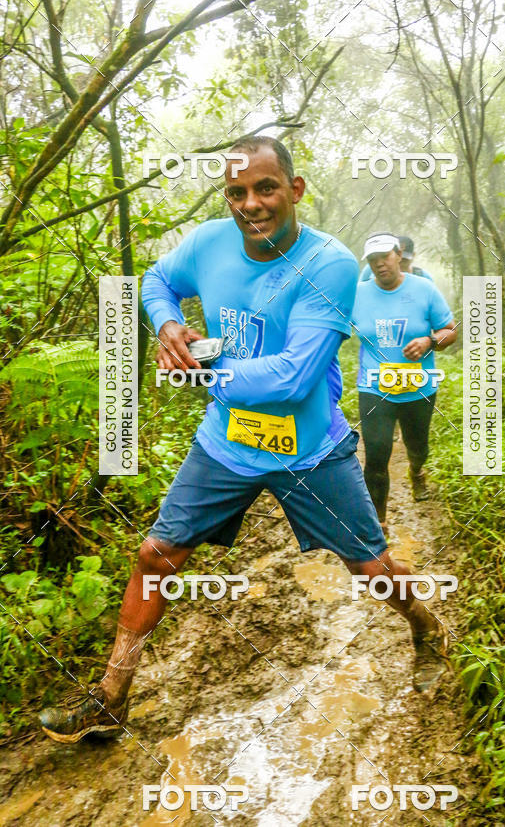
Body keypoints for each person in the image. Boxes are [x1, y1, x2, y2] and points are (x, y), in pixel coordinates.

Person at [39, 139, 450, 745]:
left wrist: (201, 373)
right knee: (155, 557)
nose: (251, 204)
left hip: (309, 450)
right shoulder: (207, 242)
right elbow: (156, 279)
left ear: (296, 189)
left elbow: (293, 377)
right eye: (237, 192)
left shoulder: (331, 265)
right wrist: (169, 322)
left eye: (266, 189)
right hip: (226, 445)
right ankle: (108, 702)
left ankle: (425, 624)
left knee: (372, 570)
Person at [353, 233, 457, 526]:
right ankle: (378, 527)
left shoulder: (424, 289)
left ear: (399, 254)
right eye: (373, 260)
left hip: (419, 388)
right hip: (375, 388)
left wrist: (429, 341)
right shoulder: (358, 294)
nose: (379, 265)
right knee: (375, 458)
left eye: (384, 257)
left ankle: (416, 471)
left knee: (417, 446)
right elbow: (333, 328)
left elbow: (450, 330)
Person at [359, 234, 434, 283]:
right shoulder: (370, 270)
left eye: (404, 260)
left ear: (413, 256)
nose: (399, 262)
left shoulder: (423, 277)